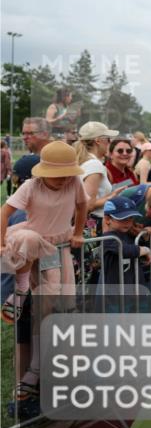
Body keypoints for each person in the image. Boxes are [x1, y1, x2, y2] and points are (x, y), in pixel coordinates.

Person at [0, 141, 87, 408]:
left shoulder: (74, 182)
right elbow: (4, 212)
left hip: (57, 249)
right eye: (56, 175)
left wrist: (78, 232)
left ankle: (36, 371)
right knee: (28, 237)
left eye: (65, 173)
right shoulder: (30, 186)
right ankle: (21, 289)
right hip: (33, 243)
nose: (61, 179)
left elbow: (83, 206)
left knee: (49, 311)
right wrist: (2, 242)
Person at [98, 196, 151, 310]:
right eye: (122, 219)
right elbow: (125, 250)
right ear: (108, 219)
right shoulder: (108, 238)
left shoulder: (129, 235)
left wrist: (146, 237)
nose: (127, 222)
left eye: (130, 218)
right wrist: (144, 250)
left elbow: (137, 254)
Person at [75, 122, 124, 235]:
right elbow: (88, 205)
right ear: (98, 141)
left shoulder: (85, 161)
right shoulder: (94, 164)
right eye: (107, 139)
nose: (109, 143)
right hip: (92, 224)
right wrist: (111, 197)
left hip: (88, 223)